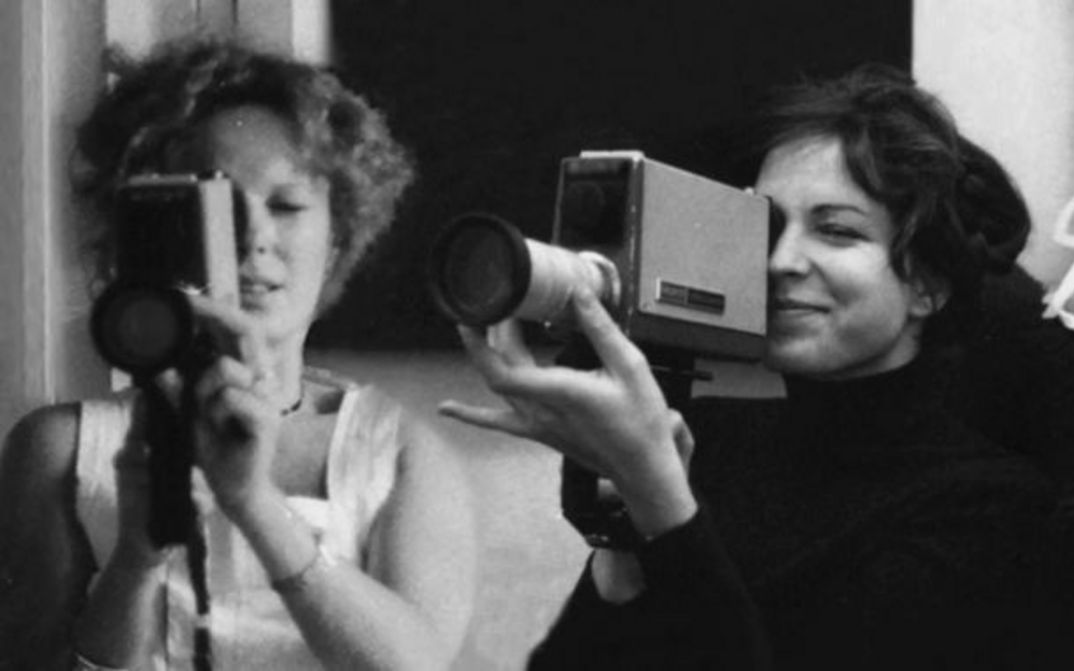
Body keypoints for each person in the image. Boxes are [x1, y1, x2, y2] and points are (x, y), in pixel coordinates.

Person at [438, 65, 1064, 669]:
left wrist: (658, 496)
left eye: (837, 232)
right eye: (767, 228)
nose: (781, 261)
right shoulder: (705, 440)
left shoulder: (990, 508)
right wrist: (619, 532)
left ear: (927, 284)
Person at [0, 38, 475, 671]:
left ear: (337, 237)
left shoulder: (399, 455)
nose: (254, 238)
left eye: (286, 205)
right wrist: (135, 562)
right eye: (216, 204)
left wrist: (254, 504)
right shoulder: (60, 450)